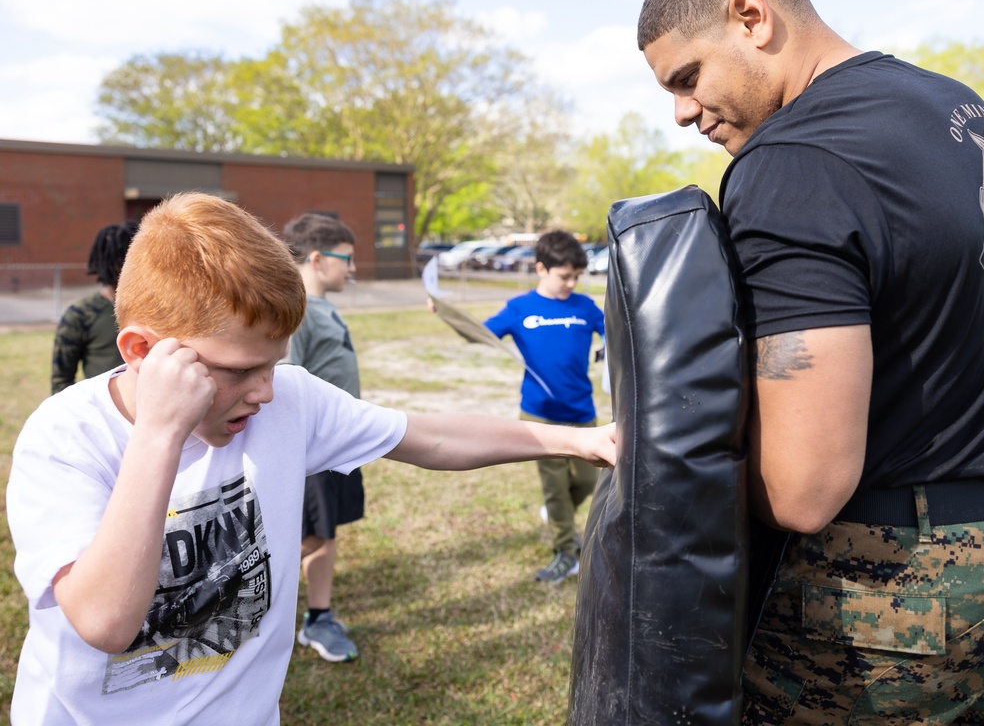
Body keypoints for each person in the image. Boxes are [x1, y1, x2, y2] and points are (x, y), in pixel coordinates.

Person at [5, 193, 616, 725]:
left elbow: (428, 437)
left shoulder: (286, 398)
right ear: (143, 351)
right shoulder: (64, 439)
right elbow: (106, 621)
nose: (266, 391)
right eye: (241, 370)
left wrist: (579, 442)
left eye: (272, 365)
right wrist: (162, 434)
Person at [638, 0, 984, 724]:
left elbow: (805, 488)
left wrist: (668, 477)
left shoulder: (793, 160)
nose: (681, 112)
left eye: (688, 78)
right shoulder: (958, 108)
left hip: (897, 591)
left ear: (751, 15)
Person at [483, 230, 605, 584]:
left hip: (582, 411)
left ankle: (558, 513)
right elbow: (484, 332)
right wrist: (446, 315)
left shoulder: (584, 306)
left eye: (576, 277)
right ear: (541, 269)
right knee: (554, 485)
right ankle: (566, 552)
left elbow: (613, 332)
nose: (571, 283)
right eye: (564, 276)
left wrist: (607, 350)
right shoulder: (520, 308)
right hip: (538, 414)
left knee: (588, 480)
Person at [282, 212, 363, 663]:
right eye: (346, 259)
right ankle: (312, 618)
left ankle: (319, 615)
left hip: (336, 448)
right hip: (311, 452)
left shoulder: (322, 306)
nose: (352, 269)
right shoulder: (298, 313)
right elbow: (286, 384)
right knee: (311, 536)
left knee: (324, 535)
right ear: (317, 258)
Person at [51, 221, 139, 393]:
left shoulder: (162, 310)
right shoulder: (81, 315)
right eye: (125, 260)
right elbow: (61, 380)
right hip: (105, 413)